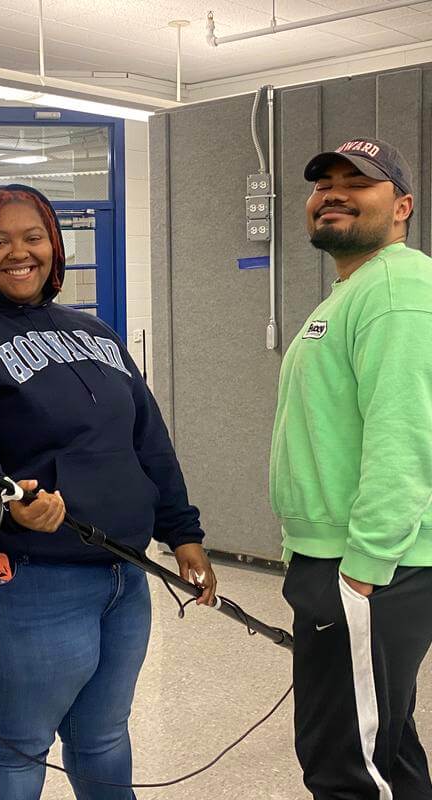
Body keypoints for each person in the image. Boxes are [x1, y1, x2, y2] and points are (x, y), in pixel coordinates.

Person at [0, 184, 216, 800]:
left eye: (33, 237)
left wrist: (183, 533)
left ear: (55, 245)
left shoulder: (93, 330)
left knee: (103, 736)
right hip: (26, 581)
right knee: (21, 743)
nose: (19, 253)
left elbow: (147, 440)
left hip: (123, 574)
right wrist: (11, 504)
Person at [271, 138, 432, 799]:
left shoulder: (396, 288)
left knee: (344, 765)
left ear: (402, 207)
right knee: (382, 746)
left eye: (357, 182)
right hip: (339, 560)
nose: (333, 192)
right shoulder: (359, 288)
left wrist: (365, 568)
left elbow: (407, 437)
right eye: (322, 183)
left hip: (366, 565)